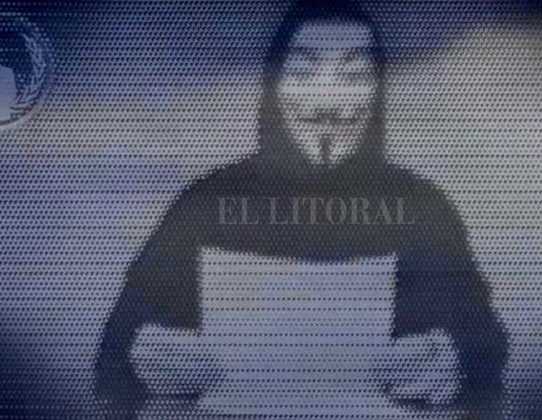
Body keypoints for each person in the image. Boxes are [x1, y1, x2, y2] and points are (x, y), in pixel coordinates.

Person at [95, 0, 508, 418]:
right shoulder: (207, 205)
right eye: (303, 72)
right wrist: (142, 356)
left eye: (353, 75)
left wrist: (458, 363)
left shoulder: (422, 209)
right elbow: (114, 352)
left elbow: (487, 348)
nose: (327, 99)